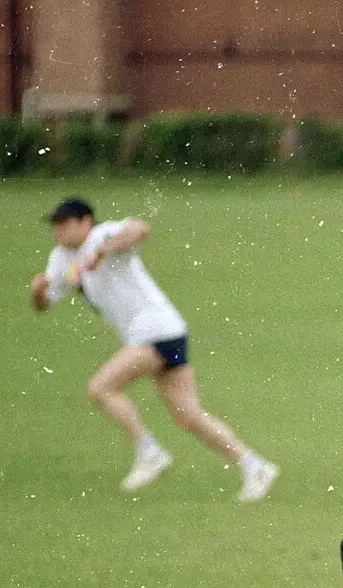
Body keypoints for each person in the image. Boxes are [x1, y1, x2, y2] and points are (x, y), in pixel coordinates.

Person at [29, 197, 278, 502]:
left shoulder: (102, 235)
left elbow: (141, 229)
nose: (58, 231)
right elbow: (44, 304)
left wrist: (104, 251)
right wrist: (38, 291)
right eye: (55, 225)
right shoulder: (60, 259)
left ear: (86, 222)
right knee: (189, 417)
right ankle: (255, 465)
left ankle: (149, 452)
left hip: (156, 330)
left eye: (64, 224)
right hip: (163, 333)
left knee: (101, 388)